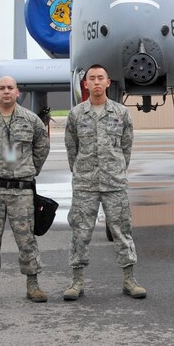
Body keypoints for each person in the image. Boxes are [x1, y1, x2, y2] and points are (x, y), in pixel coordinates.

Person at [63, 65, 146, 300]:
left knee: (122, 231)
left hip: (114, 184)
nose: (96, 82)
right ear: (85, 84)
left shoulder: (121, 113)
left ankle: (129, 280)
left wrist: (116, 169)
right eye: (92, 78)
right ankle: (76, 282)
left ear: (108, 82)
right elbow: (72, 149)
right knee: (80, 232)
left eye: (101, 78)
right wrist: (82, 171)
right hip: (85, 184)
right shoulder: (76, 114)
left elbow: (126, 148)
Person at [0, 76, 51, 304]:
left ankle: (33, 284)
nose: (6, 91)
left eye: (10, 88)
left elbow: (42, 147)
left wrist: (28, 170)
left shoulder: (31, 120)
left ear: (17, 92)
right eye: (1, 88)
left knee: (26, 240)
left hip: (21, 191)